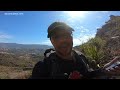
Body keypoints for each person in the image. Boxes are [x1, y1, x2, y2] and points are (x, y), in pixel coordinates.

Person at [31, 21, 120, 79]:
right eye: (56, 37)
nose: (63, 40)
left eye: (66, 35)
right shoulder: (43, 67)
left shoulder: (81, 58)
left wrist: (102, 71)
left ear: (72, 37)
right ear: (51, 41)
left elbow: (87, 75)